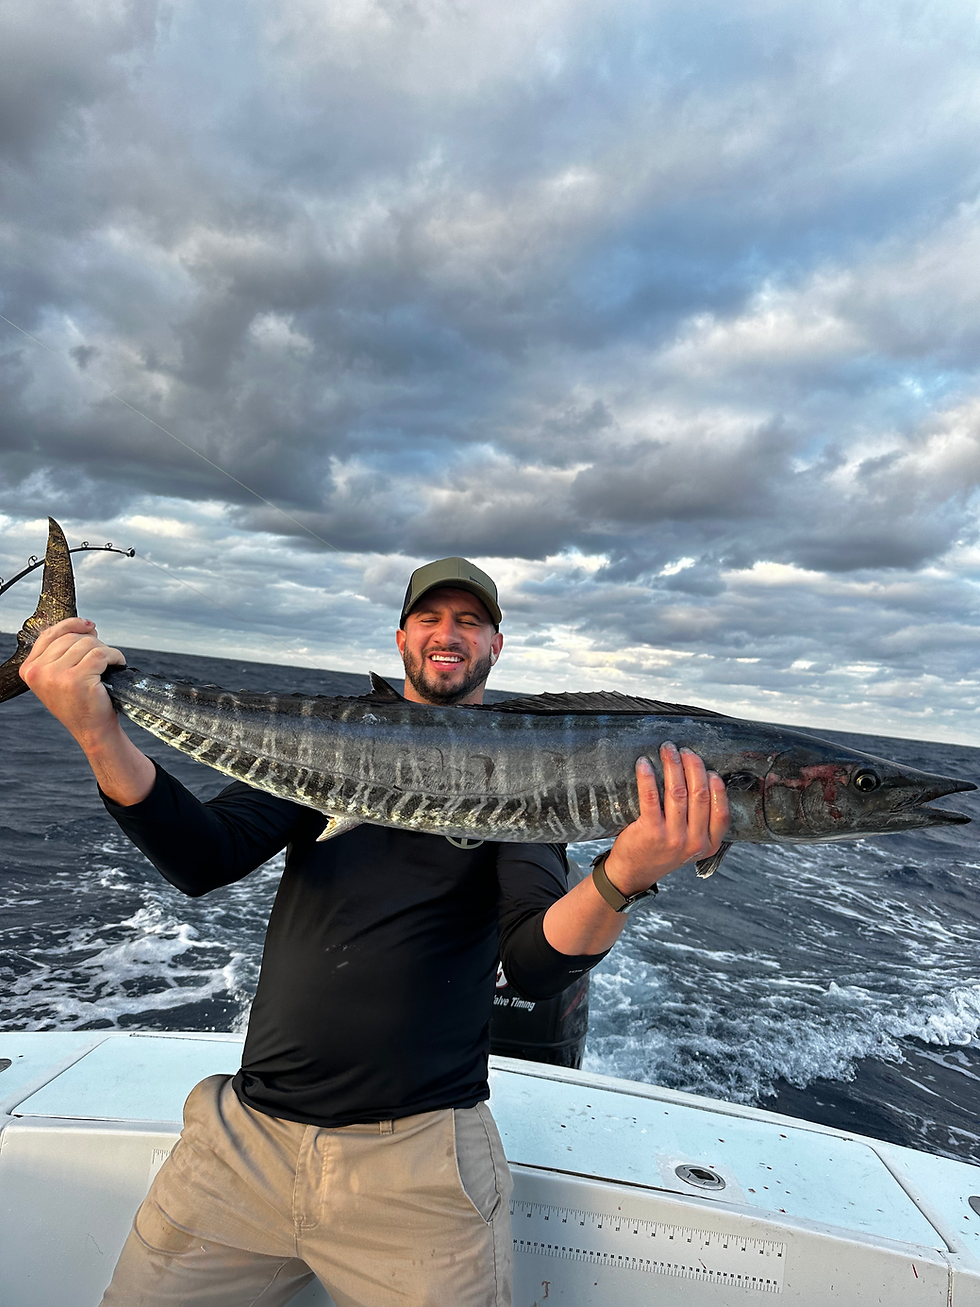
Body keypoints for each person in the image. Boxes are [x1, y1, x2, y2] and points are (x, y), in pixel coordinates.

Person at [20, 555, 730, 1307]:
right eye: (429, 617)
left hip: (419, 1173)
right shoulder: (334, 739)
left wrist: (624, 871)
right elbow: (203, 855)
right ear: (401, 638)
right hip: (242, 1146)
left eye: (469, 620)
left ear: (496, 645)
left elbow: (534, 963)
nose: (446, 633)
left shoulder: (528, 774)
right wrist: (98, 731)